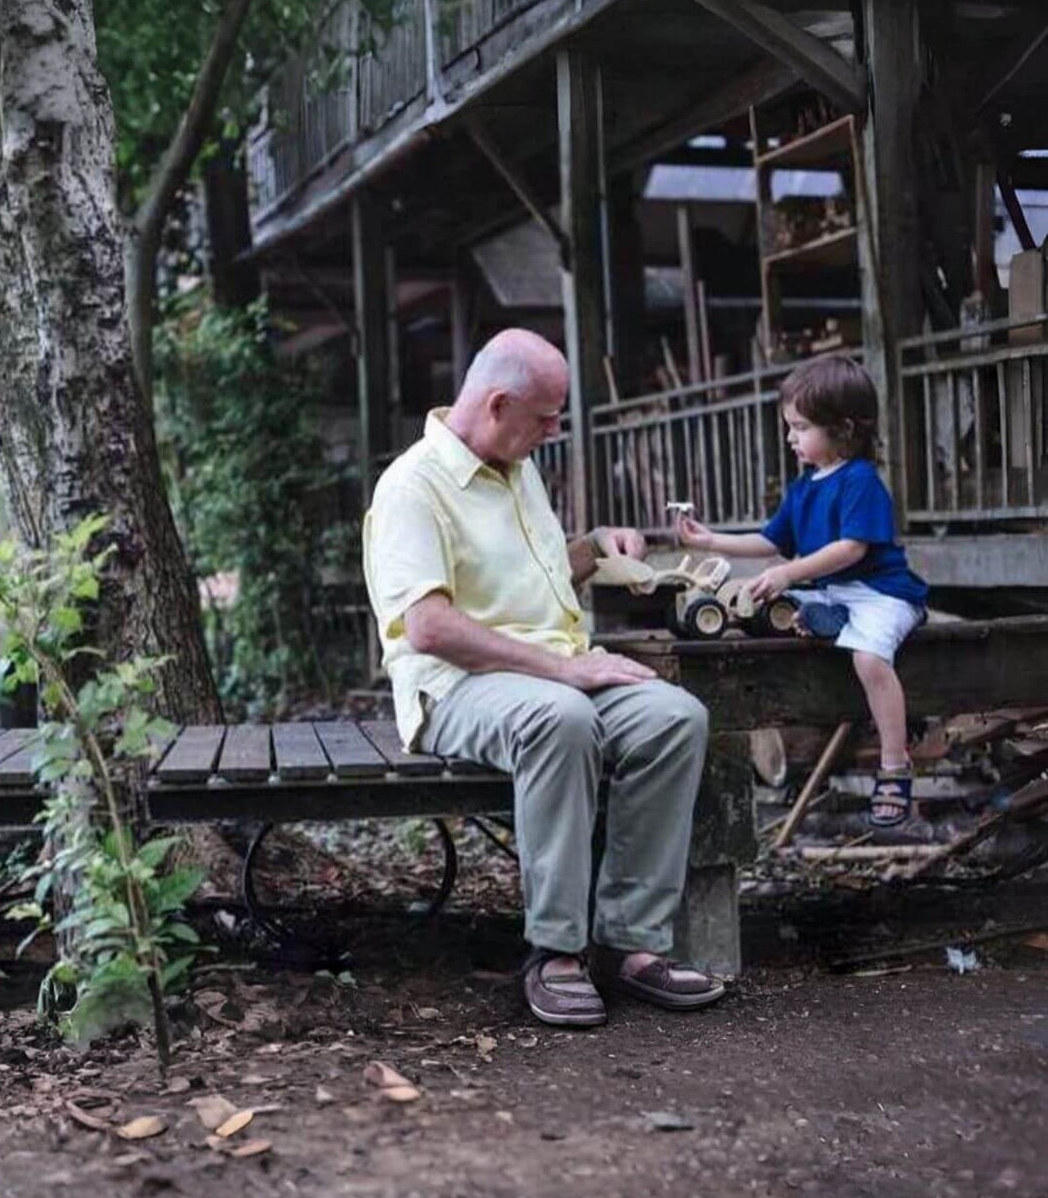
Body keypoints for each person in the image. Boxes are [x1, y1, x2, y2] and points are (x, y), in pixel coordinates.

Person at [362, 329, 725, 1028]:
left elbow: (535, 572)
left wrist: (594, 548)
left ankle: (631, 942)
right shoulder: (412, 485)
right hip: (455, 685)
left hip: (553, 673)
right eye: (546, 416)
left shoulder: (514, 464)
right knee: (560, 718)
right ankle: (555, 951)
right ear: (496, 403)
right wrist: (563, 670)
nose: (554, 431)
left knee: (674, 716)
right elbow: (430, 626)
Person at [676, 353, 928, 828]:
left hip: (880, 593)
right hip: (831, 593)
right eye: (789, 426)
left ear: (844, 429)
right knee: (756, 604)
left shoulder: (860, 481)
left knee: (869, 659)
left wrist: (790, 574)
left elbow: (852, 549)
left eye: (801, 426)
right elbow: (771, 540)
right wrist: (710, 539)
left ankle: (894, 765)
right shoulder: (804, 486)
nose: (791, 437)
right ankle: (820, 619)